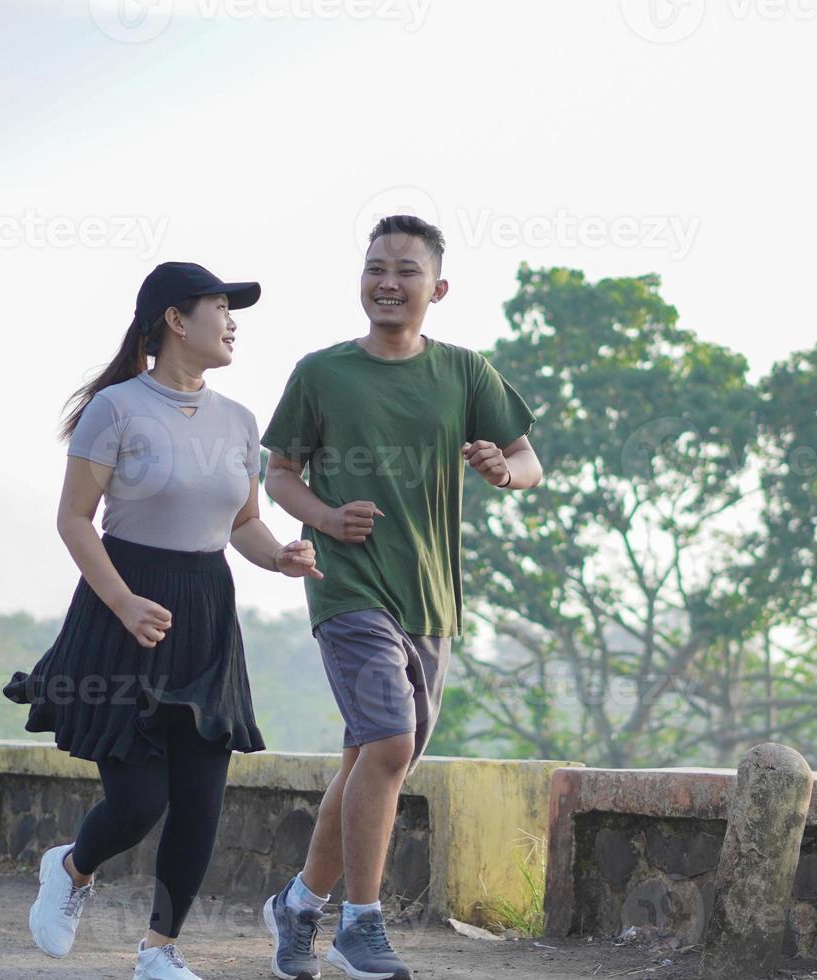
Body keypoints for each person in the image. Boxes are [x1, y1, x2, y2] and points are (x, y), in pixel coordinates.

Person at [2, 262, 321, 980]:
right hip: (123, 607)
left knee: (202, 798)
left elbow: (244, 525)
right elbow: (74, 519)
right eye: (221, 308)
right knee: (140, 799)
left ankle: (160, 951)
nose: (233, 322)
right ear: (177, 320)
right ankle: (72, 868)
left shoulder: (239, 421)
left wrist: (282, 558)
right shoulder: (115, 408)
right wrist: (122, 601)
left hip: (206, 612)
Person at [258, 215, 542, 980]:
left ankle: (297, 904)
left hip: (430, 596)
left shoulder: (464, 372)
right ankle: (362, 922)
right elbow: (278, 471)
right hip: (347, 589)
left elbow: (527, 457)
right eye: (375, 267)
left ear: (437, 288)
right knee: (387, 743)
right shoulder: (322, 372)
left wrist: (502, 468)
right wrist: (322, 518)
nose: (388, 281)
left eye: (406, 271)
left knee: (373, 759)